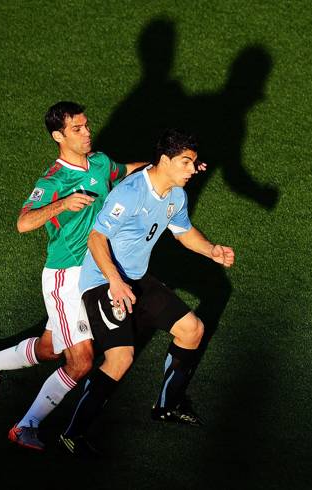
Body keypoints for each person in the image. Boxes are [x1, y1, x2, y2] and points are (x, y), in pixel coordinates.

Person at [0, 101, 146, 451]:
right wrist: (62, 204)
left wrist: (165, 167)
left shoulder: (99, 162)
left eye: (86, 125)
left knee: (51, 348)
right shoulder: (53, 180)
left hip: (93, 273)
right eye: (77, 129)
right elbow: (23, 223)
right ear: (58, 136)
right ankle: (26, 426)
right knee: (80, 360)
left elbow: (125, 170)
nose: (86, 132)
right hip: (66, 277)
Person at [58, 128, 235, 457]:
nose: (192, 170)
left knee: (192, 329)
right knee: (120, 358)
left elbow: (182, 232)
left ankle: (167, 406)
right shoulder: (130, 193)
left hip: (137, 278)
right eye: (186, 163)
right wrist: (114, 280)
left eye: (193, 163)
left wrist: (212, 250)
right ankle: (73, 433)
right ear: (165, 160)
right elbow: (96, 239)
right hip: (102, 281)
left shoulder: (175, 195)